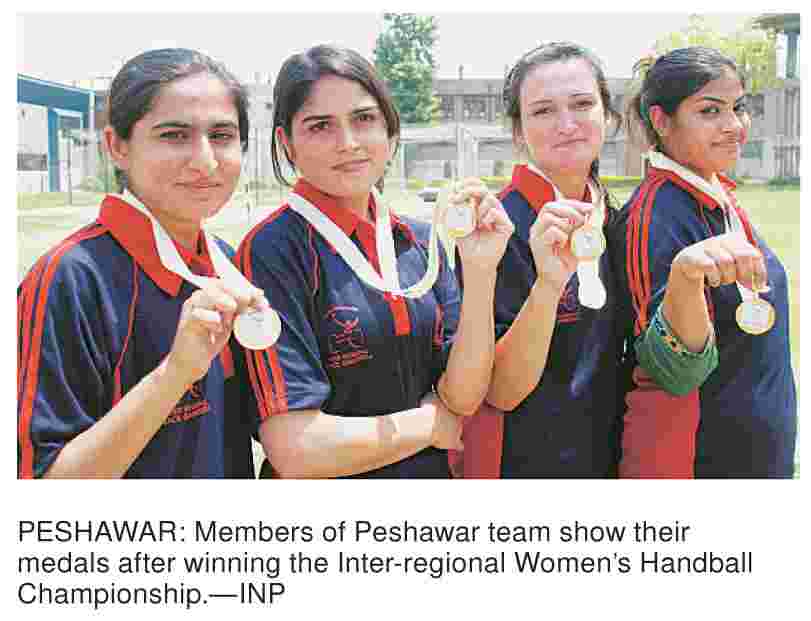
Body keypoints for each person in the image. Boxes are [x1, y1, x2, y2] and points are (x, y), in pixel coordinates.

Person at [234, 44, 513, 478]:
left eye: (363, 119)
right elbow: (296, 450)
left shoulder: (419, 241)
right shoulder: (271, 250)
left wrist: (480, 272)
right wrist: (428, 425)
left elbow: (462, 397)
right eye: (320, 125)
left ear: (389, 130)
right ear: (286, 143)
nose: (347, 143)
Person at [17, 48, 265, 478]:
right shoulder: (68, 279)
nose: (205, 160)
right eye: (173, 135)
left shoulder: (227, 262)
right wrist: (175, 373)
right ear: (116, 145)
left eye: (222, 136)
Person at [608, 46, 797, 477]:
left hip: (757, 454)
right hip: (702, 464)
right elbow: (670, 372)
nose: (734, 126)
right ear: (661, 120)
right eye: (710, 111)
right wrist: (684, 278)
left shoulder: (716, 197)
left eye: (739, 108)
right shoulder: (655, 215)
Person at [455, 41, 625, 478]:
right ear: (517, 131)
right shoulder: (495, 232)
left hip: (611, 463)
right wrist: (548, 286)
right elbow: (499, 391)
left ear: (608, 116)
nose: (566, 124)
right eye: (543, 111)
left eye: (583, 104)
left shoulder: (618, 219)